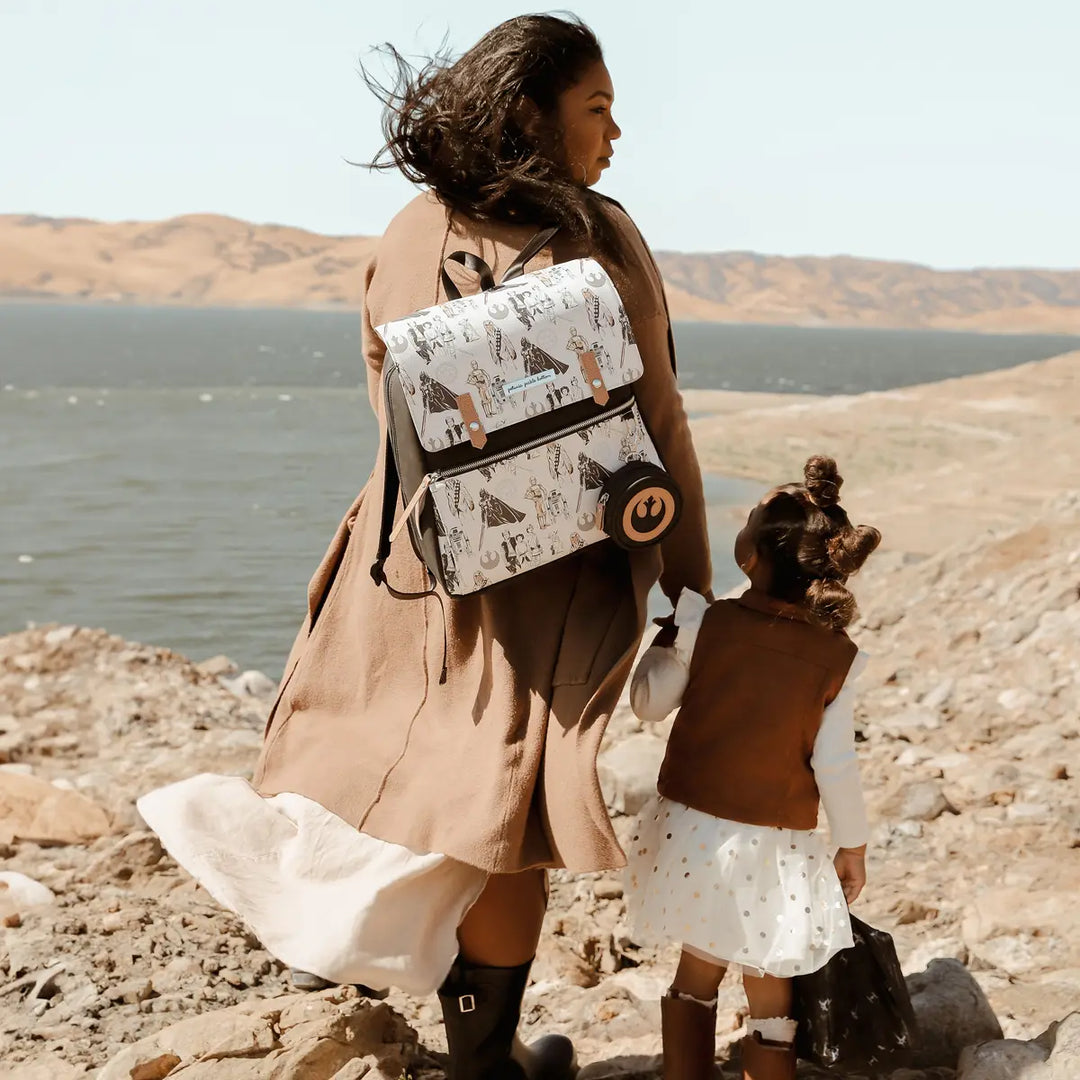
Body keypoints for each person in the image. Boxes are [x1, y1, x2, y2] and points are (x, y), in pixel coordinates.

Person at [137, 14, 712, 1080]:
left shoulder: (412, 227)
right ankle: (483, 1063)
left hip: (411, 566)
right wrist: (685, 585)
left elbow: (385, 394)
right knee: (508, 820)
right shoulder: (604, 235)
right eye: (597, 110)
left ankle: (356, 956)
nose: (616, 133)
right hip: (554, 580)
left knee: (398, 773)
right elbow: (659, 420)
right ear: (530, 117)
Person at [625, 457, 881, 1080]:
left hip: (696, 832)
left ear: (752, 554)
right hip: (777, 842)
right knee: (771, 978)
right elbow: (835, 763)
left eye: (748, 520)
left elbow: (648, 704)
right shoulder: (836, 658)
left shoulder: (709, 623)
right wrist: (853, 845)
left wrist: (671, 635)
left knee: (698, 968)